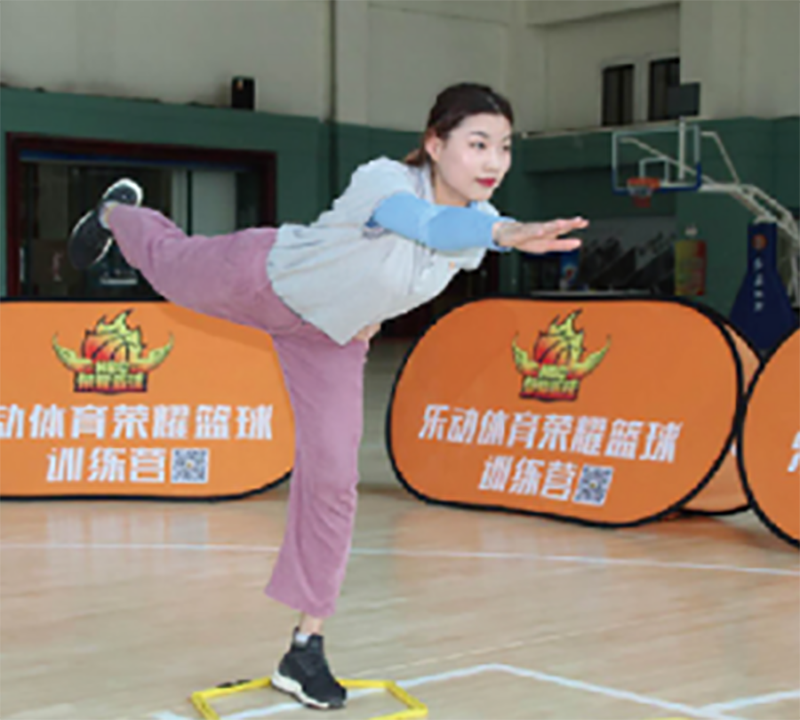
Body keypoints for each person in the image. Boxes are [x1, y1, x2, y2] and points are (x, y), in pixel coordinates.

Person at [67, 82, 588, 710]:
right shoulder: (386, 181)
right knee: (169, 265)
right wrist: (507, 232)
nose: (493, 161)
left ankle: (304, 647)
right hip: (263, 277)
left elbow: (417, 263)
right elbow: (424, 224)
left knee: (335, 478)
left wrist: (375, 309)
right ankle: (116, 213)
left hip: (330, 341)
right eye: (478, 144)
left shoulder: (479, 226)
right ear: (435, 143)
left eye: (503, 147)